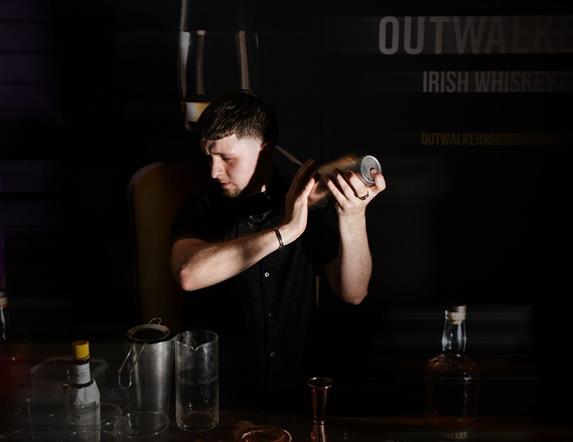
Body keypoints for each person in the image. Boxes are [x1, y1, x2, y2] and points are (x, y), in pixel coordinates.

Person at [170, 89, 385, 409]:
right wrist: (284, 232)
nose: (214, 172)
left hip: (294, 400)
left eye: (227, 158)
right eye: (210, 157)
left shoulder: (305, 203)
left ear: (265, 151)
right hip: (217, 403)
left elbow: (353, 292)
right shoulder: (202, 206)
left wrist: (353, 216)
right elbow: (188, 273)